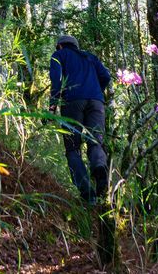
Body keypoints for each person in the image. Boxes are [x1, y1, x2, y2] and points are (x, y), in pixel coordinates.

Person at [48, 34, 111, 204]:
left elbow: (56, 81)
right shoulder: (90, 57)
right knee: (95, 141)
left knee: (72, 148)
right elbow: (105, 76)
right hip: (97, 102)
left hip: (72, 101)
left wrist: (52, 106)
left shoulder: (59, 56)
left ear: (60, 46)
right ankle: (99, 167)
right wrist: (96, 92)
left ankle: (87, 193)